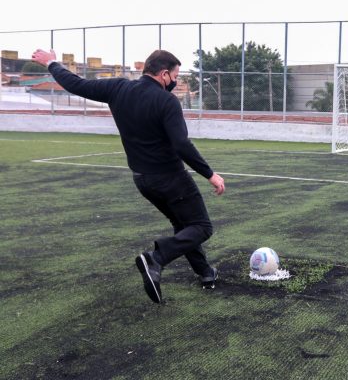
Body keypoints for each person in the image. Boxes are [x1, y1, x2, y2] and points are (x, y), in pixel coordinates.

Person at [31, 48, 226, 304]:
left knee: (183, 224)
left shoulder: (118, 89)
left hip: (143, 180)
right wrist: (210, 174)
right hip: (171, 179)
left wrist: (52, 63)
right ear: (164, 74)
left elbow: (75, 84)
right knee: (201, 227)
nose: (176, 83)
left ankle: (205, 272)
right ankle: (155, 259)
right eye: (175, 76)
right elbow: (181, 144)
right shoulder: (167, 102)